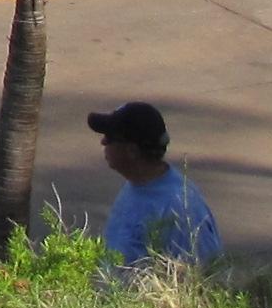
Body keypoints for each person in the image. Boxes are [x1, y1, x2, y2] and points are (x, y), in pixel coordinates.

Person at [88, 101, 221, 269]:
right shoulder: (135, 184)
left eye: (110, 138)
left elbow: (204, 272)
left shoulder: (179, 209)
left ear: (132, 151)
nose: (103, 142)